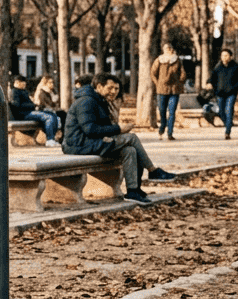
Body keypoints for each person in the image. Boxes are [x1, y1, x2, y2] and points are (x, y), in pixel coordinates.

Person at [63, 73, 178, 204]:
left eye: (116, 89)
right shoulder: (86, 101)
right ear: (99, 86)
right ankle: (153, 171)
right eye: (110, 88)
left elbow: (102, 127)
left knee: (129, 150)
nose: (114, 92)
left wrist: (113, 130)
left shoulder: (100, 100)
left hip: (91, 142)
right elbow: (90, 129)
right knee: (131, 138)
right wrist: (119, 129)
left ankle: (133, 190)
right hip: (78, 144)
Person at [10, 75, 59, 145]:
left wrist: (35, 105)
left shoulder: (24, 91)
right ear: (17, 82)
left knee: (53, 115)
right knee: (48, 117)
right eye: (23, 82)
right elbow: (17, 105)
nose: (25, 84)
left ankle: (52, 139)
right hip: (24, 115)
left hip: (29, 112)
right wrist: (33, 105)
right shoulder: (14, 92)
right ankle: (49, 139)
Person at [150, 42, 184, 140]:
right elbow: (153, 73)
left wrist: (180, 81)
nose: (167, 50)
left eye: (169, 48)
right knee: (162, 110)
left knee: (172, 112)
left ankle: (170, 133)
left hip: (174, 90)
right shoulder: (159, 60)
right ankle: (162, 127)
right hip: (161, 89)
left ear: (171, 49)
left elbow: (182, 73)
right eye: (165, 48)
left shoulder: (177, 60)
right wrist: (158, 83)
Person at [211, 48, 238, 140]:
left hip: (231, 93)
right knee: (221, 112)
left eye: (226, 55)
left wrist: (234, 88)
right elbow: (213, 78)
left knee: (229, 111)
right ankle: (228, 124)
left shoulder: (235, 66)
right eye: (222, 55)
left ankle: (227, 131)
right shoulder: (218, 67)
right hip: (220, 93)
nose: (224, 57)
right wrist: (210, 84)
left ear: (230, 56)